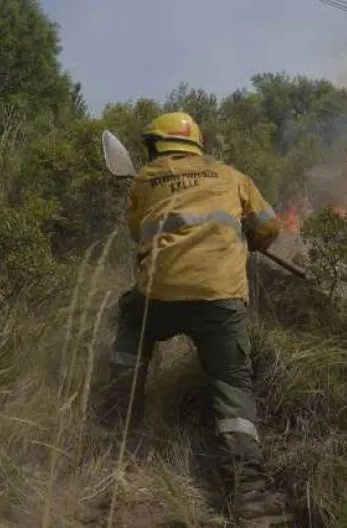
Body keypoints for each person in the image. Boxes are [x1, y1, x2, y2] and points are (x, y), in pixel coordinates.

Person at [98, 111, 287, 523]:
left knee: (131, 321)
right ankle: (249, 493)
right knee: (233, 387)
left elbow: (137, 232)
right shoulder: (233, 176)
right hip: (219, 300)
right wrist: (246, 238)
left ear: (157, 146)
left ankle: (117, 429)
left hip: (158, 296)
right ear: (196, 144)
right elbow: (270, 228)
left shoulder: (145, 179)